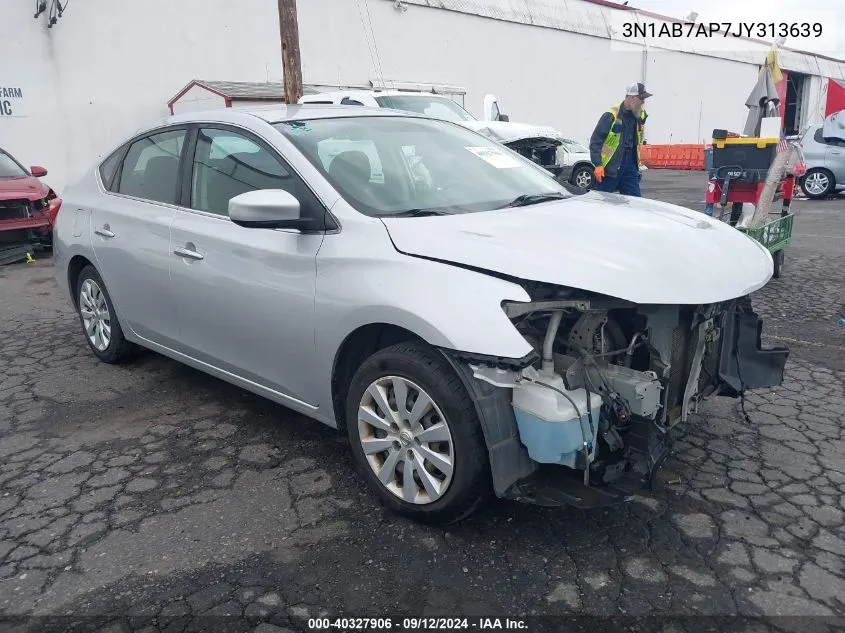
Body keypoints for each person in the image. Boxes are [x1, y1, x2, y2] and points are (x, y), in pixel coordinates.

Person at [589, 82, 651, 196]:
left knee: (635, 202)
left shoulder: (638, 115)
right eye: (641, 98)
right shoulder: (611, 115)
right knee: (602, 202)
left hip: (630, 166)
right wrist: (598, 164)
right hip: (610, 168)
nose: (643, 102)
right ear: (631, 98)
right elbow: (595, 142)